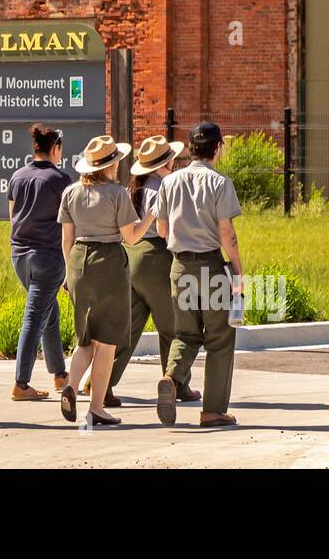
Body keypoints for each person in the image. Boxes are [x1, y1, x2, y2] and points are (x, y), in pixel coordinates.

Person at [57, 135, 158, 427]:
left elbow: (66, 239)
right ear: (111, 165)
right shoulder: (117, 194)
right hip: (109, 263)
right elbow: (131, 237)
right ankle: (97, 408)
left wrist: (68, 272)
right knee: (108, 342)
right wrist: (151, 214)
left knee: (86, 338)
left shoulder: (70, 193)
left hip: (77, 262)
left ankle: (71, 386)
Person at [154, 122, 243, 428]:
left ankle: (172, 377)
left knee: (186, 334)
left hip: (179, 265)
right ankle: (213, 410)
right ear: (217, 148)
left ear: (190, 148)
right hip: (211, 266)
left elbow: (161, 229)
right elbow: (227, 232)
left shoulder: (169, 182)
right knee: (219, 337)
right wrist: (238, 272)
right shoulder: (220, 183)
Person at [104, 136, 201, 406]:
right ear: (166, 163)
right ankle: (177, 383)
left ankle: (102, 384)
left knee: (128, 329)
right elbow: (166, 228)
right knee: (172, 325)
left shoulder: (134, 188)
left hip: (131, 257)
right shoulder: (164, 188)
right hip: (157, 258)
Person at [6, 123, 72, 401]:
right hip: (48, 257)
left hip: (19, 256)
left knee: (49, 314)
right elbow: (70, 225)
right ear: (55, 149)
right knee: (34, 317)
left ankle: (60, 375)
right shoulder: (60, 180)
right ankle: (21, 384)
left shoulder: (17, 177)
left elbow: (13, 217)